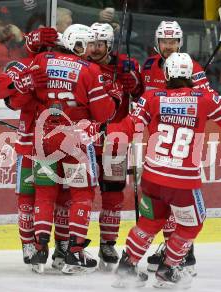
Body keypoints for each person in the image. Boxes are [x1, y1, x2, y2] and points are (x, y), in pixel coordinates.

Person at [107, 52, 221, 288]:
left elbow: (129, 126)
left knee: (149, 222)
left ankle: (127, 267)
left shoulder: (152, 96)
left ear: (166, 74)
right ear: (191, 75)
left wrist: (106, 132)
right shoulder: (205, 97)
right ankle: (168, 269)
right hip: (182, 182)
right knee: (192, 223)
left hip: (153, 177)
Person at [26, 24, 121, 274]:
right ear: (75, 44)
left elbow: (24, 93)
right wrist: (114, 96)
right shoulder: (89, 70)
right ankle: (75, 252)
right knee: (82, 194)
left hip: (43, 138)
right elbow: (103, 113)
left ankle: (39, 248)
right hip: (75, 141)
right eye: (85, 44)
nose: (89, 49)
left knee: (45, 194)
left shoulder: (42, 59)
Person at [140, 20, 212, 275]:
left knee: (179, 207)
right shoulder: (148, 66)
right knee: (160, 207)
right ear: (157, 42)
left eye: (172, 41)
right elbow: (141, 98)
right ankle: (171, 251)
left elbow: (208, 102)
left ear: (180, 43)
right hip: (156, 147)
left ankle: (183, 254)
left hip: (182, 149)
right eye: (164, 41)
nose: (168, 46)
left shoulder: (191, 67)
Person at [0, 26, 58, 265]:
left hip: (60, 144)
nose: (46, 52)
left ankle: (59, 247)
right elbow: (0, 89)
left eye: (49, 47)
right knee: (27, 196)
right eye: (41, 46)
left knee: (57, 197)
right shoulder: (21, 65)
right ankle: (28, 243)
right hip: (29, 143)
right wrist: (26, 81)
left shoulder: (65, 66)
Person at [88, 22, 142, 271]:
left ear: (109, 45)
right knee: (75, 196)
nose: (94, 48)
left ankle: (108, 243)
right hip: (85, 142)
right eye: (91, 43)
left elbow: (141, 94)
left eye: (99, 44)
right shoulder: (82, 65)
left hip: (115, 143)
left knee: (113, 195)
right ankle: (70, 245)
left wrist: (133, 82)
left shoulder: (126, 64)